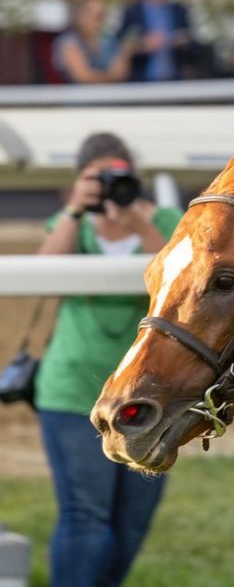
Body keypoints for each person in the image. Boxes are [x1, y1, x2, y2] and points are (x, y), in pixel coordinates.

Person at [33, 132, 182, 587]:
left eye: (119, 177)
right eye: (98, 179)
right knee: (85, 516)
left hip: (146, 392)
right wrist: (76, 209)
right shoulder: (70, 222)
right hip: (72, 389)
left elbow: (178, 281)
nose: (110, 187)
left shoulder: (167, 219)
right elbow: (44, 274)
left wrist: (138, 222)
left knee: (130, 522)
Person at [52, 0, 136, 84]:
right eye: (93, 15)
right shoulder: (68, 42)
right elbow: (83, 77)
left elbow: (121, 74)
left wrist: (124, 53)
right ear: (79, 15)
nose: (98, 21)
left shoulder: (109, 41)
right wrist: (110, 76)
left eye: (101, 15)